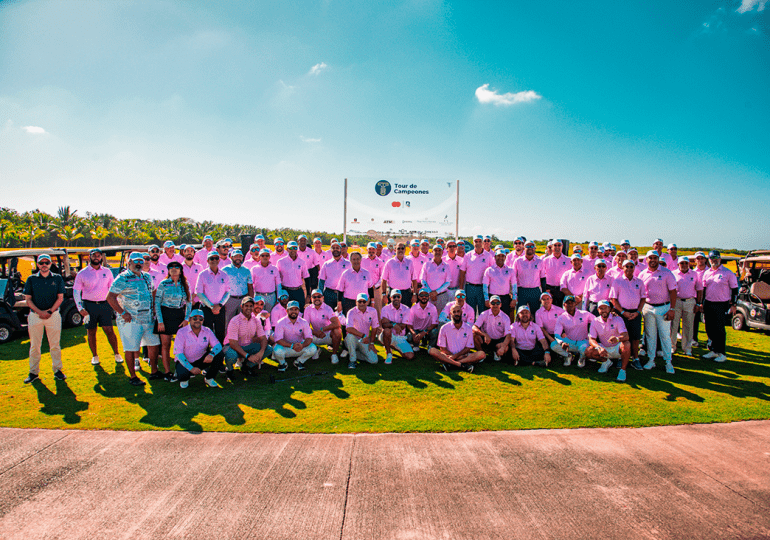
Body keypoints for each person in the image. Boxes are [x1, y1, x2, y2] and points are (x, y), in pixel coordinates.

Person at [107, 252, 159, 386]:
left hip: (148, 318)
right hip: (131, 320)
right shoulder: (122, 278)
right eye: (135, 262)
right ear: (129, 263)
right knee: (131, 348)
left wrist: (153, 307)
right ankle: (133, 376)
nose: (139, 264)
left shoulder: (147, 276)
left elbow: (153, 291)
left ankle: (154, 371)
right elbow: (110, 297)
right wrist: (122, 312)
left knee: (154, 344)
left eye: (141, 261)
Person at [73, 248, 122, 366]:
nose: (96, 257)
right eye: (94, 255)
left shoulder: (107, 272)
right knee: (91, 332)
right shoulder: (82, 273)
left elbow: (113, 289)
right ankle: (95, 356)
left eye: (98, 255)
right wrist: (80, 308)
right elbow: (76, 291)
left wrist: (117, 304)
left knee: (109, 330)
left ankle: (116, 353)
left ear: (101, 257)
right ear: (89, 257)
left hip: (105, 305)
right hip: (89, 306)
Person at [22, 254, 67, 384]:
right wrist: (40, 312)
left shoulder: (57, 278)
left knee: (55, 345)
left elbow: (60, 298)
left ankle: (58, 370)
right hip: (35, 316)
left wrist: (49, 312)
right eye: (41, 263)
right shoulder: (31, 279)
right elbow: (28, 299)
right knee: (35, 346)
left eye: (47, 262)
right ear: (37, 264)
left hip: (53, 316)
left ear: (50, 264)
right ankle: (33, 372)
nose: (44, 265)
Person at [638, 250, 678, 373]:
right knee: (650, 335)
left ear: (658, 259)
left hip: (664, 308)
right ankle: (651, 360)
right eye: (650, 258)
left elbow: (673, 292)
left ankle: (668, 362)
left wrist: (672, 309)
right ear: (646, 259)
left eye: (655, 258)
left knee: (665, 336)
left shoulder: (667, 273)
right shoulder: (643, 274)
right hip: (648, 307)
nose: (653, 260)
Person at [153, 261, 191, 381]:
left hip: (179, 315)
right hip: (166, 315)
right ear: (168, 270)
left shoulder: (184, 284)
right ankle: (167, 372)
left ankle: (185, 368)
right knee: (166, 345)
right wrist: (160, 321)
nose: (174, 269)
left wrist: (186, 319)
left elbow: (189, 303)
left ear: (180, 270)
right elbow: (157, 303)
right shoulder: (163, 284)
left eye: (177, 267)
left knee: (183, 345)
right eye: (171, 268)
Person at [701, 250, 739, 364]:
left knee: (719, 329)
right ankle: (713, 350)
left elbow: (735, 290)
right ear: (709, 260)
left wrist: (734, 304)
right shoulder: (707, 273)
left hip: (721, 304)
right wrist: (702, 303)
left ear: (720, 259)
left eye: (716, 258)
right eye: (712, 259)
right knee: (709, 328)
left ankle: (722, 353)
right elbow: (704, 289)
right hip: (708, 303)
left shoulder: (728, 273)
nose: (714, 260)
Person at [609, 259, 646, 371]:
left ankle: (635, 359)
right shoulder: (617, 281)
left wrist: (638, 312)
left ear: (634, 268)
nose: (629, 269)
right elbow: (613, 299)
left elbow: (643, 298)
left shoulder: (639, 282)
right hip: (622, 313)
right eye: (627, 266)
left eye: (631, 266)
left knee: (635, 338)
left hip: (635, 313)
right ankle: (622, 357)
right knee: (622, 337)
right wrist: (623, 312)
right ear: (623, 268)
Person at [173, 309, 224, 389]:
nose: (197, 320)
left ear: (203, 320)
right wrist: (191, 368)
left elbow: (218, 345)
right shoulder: (181, 332)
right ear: (189, 319)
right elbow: (178, 354)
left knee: (219, 354)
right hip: (186, 361)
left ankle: (209, 378)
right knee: (183, 375)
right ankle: (184, 377)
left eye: (200, 318)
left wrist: (211, 354)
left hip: (201, 360)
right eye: (195, 318)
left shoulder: (207, 330)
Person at [223, 296, 271, 380]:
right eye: (246, 306)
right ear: (242, 306)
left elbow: (263, 338)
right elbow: (233, 343)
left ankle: (247, 367)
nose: (249, 308)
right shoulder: (235, 320)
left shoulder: (256, 320)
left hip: (248, 346)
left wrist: (261, 353)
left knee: (268, 349)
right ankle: (229, 370)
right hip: (232, 347)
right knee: (231, 355)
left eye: (251, 306)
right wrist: (248, 356)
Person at [429, 303, 486, 372]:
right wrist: (453, 355)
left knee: (482, 354)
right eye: (454, 312)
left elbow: (468, 348)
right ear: (450, 313)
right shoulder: (444, 328)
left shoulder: (468, 328)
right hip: (448, 355)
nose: (456, 314)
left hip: (461, 356)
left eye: (458, 311)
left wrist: (455, 356)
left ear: (461, 312)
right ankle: (461, 365)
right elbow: (442, 348)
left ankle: (450, 363)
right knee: (432, 350)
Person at [587, 300, 631, 380]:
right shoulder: (595, 321)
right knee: (588, 351)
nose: (603, 310)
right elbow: (591, 339)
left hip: (617, 348)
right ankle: (606, 362)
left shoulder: (618, 319)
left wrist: (617, 339)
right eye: (601, 308)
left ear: (610, 309)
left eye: (605, 308)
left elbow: (626, 336)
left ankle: (622, 370)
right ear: (598, 310)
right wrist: (599, 347)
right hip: (604, 348)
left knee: (627, 344)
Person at [196, 251, 231, 343]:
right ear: (207, 260)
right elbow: (199, 292)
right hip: (207, 308)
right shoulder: (202, 274)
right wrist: (211, 306)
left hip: (220, 308)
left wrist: (219, 305)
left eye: (216, 258)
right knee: (205, 332)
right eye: (212, 258)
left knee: (220, 332)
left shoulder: (224, 274)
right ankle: (206, 353)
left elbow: (227, 292)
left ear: (219, 260)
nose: (214, 260)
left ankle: (219, 354)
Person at [671, 256, 703, 357]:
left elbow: (699, 290)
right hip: (676, 301)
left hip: (690, 301)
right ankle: (672, 346)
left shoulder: (695, 274)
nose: (684, 265)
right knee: (673, 326)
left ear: (689, 264)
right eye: (682, 263)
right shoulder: (673, 274)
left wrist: (698, 303)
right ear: (678, 264)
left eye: (686, 263)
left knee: (688, 326)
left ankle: (687, 348)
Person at [272, 300, 317, 371]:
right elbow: (278, 340)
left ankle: (299, 361)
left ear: (299, 311)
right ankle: (282, 363)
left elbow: (309, 337)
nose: (294, 311)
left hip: (299, 347)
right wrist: (292, 346)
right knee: (277, 350)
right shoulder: (280, 322)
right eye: (291, 309)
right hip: (286, 347)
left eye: (296, 309)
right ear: (287, 311)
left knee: (313, 348)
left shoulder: (304, 322)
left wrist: (302, 345)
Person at [550, 296, 594, 367]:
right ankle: (568, 356)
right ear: (564, 305)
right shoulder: (561, 318)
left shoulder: (584, 314)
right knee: (553, 345)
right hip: (569, 342)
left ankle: (582, 358)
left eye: (572, 303)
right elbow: (557, 334)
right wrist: (561, 342)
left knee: (584, 351)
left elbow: (597, 321)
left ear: (575, 303)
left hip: (583, 342)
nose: (570, 305)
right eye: (567, 303)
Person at [304, 289, 343, 365]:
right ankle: (316, 349)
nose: (316, 298)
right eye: (314, 297)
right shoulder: (308, 309)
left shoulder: (328, 308)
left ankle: (334, 354)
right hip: (315, 335)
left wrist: (322, 330)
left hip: (327, 335)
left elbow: (337, 324)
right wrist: (315, 332)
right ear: (311, 299)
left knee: (337, 331)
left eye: (319, 296)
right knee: (301, 332)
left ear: (322, 298)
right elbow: (305, 326)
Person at [459, 235, 494, 315]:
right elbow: (462, 272)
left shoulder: (488, 256)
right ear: (473, 242)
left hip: (483, 289)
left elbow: (492, 272)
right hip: (470, 288)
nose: (478, 243)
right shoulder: (468, 255)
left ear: (482, 243)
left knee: (483, 312)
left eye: (480, 241)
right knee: (470, 312)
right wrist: (461, 289)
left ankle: (481, 328)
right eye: (476, 241)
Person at [344, 293, 380, 368]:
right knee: (350, 336)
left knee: (374, 360)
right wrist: (362, 335)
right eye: (359, 301)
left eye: (364, 301)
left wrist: (372, 343)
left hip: (364, 340)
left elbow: (374, 328)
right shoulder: (351, 312)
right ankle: (352, 361)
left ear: (367, 302)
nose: (362, 303)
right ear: (356, 302)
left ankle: (353, 353)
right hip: (354, 339)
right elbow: (348, 328)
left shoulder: (373, 311)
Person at [379, 289, 415, 364]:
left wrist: (389, 322)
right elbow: (384, 325)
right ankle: (389, 353)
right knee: (387, 330)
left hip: (400, 336)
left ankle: (392, 346)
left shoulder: (406, 309)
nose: (396, 298)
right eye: (394, 297)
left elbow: (402, 326)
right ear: (390, 298)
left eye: (398, 296)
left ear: (401, 297)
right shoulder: (385, 309)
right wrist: (394, 324)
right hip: (388, 335)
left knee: (410, 356)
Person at [472, 295, 511, 361]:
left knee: (506, 348)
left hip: (498, 340)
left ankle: (496, 353)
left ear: (500, 305)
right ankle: (482, 354)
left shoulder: (505, 317)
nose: (495, 305)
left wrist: (503, 346)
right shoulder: (484, 314)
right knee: (474, 335)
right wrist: (484, 334)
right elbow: (474, 327)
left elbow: (508, 335)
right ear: (489, 304)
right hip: (486, 339)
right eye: (493, 303)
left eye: (497, 303)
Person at [221, 248, 253, 327]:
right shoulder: (225, 270)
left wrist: (251, 301)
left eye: (240, 256)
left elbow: (250, 286)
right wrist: (222, 302)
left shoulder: (246, 270)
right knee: (229, 323)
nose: (238, 258)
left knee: (243, 322)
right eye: (235, 256)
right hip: (230, 300)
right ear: (231, 257)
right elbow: (220, 287)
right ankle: (228, 339)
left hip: (243, 299)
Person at [513, 240, 545, 313]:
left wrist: (544, 293)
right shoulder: (518, 261)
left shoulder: (540, 261)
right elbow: (513, 278)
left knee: (535, 313)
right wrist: (513, 293)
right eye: (527, 246)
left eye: (532, 246)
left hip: (535, 291)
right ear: (524, 248)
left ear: (535, 248)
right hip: (521, 291)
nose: (530, 248)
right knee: (520, 313)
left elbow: (542, 278)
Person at [482, 249, 517, 315]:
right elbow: (485, 286)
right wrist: (486, 299)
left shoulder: (510, 270)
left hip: (505, 298)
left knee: (506, 318)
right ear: (495, 257)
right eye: (498, 256)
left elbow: (514, 285)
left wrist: (514, 299)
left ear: (505, 257)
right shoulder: (489, 270)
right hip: (492, 298)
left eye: (502, 256)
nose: (500, 258)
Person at [318, 242, 351, 309]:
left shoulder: (348, 264)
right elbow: (321, 281)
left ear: (341, 249)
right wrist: (320, 295)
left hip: (343, 294)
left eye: (337, 248)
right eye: (333, 248)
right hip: (329, 294)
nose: (335, 250)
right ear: (331, 250)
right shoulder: (326, 264)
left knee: (343, 316)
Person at [381, 242, 416, 306]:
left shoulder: (410, 262)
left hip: (406, 294)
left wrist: (414, 294)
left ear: (405, 250)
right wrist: (384, 294)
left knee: (406, 314)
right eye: (398, 248)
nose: (400, 250)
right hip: (393, 293)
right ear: (395, 250)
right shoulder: (389, 262)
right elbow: (384, 280)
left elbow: (414, 279)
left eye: (402, 248)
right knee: (393, 314)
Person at [421, 244, 452, 314]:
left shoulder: (446, 266)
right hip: (429, 296)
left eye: (439, 250)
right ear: (432, 252)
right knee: (429, 318)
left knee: (441, 318)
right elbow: (423, 280)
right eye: (435, 250)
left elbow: (448, 282)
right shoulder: (426, 264)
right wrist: (431, 293)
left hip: (442, 296)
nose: (437, 252)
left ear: (442, 252)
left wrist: (436, 292)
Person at [276, 241, 309, 306]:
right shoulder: (280, 262)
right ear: (287, 249)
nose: (293, 250)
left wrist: (308, 295)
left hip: (298, 291)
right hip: (285, 291)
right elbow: (277, 279)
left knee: (300, 311)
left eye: (295, 248)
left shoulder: (302, 262)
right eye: (291, 248)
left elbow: (306, 278)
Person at [250, 248, 283, 312]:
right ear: (259, 257)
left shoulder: (274, 269)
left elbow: (278, 285)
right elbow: (251, 285)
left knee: (270, 316)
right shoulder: (254, 269)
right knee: (258, 316)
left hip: (271, 297)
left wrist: (278, 299)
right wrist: (252, 298)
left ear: (269, 257)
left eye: (267, 255)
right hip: (258, 296)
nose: (265, 257)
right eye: (262, 255)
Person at [542, 240, 570, 307]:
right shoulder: (545, 260)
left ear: (562, 246)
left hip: (563, 290)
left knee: (562, 311)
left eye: (559, 245)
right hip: (550, 289)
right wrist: (545, 289)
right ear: (551, 247)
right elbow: (542, 276)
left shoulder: (568, 260)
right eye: (555, 245)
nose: (557, 247)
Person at [361, 242, 385, 316]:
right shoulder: (362, 260)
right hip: (364, 289)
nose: (371, 251)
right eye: (370, 249)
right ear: (367, 249)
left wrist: (375, 285)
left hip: (376, 289)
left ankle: (378, 327)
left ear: (376, 250)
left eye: (373, 249)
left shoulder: (380, 262)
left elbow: (382, 276)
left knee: (377, 310)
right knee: (363, 309)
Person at [692, 251, 709, 347]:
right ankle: (694, 338)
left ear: (705, 259)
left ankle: (710, 339)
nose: (700, 260)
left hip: (708, 298)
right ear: (695, 260)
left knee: (708, 321)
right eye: (698, 258)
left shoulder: (710, 271)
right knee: (695, 320)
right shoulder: (693, 272)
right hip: (696, 298)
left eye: (702, 258)